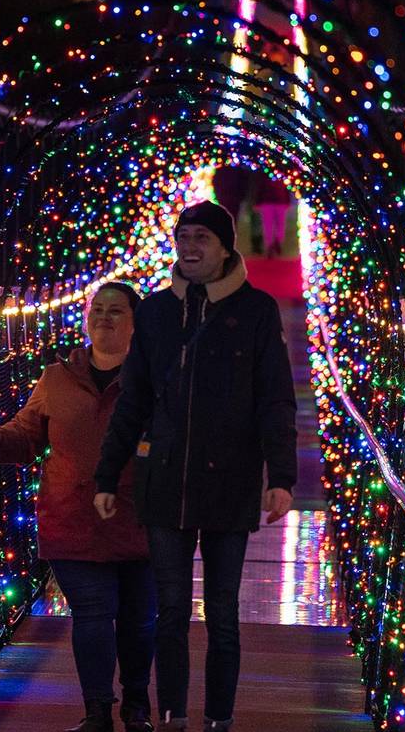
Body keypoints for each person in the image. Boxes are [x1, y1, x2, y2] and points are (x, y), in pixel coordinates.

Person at [93, 200, 298, 732]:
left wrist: (281, 478)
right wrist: (108, 476)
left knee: (223, 618)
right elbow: (132, 400)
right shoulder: (158, 312)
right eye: (183, 236)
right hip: (165, 483)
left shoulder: (256, 310)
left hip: (230, 484)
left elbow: (275, 398)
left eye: (201, 237)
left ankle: (218, 720)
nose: (189, 246)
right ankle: (173, 717)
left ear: (225, 247)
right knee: (172, 615)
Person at [0, 282, 156, 732]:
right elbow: (26, 435)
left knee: (137, 620)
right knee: (92, 614)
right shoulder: (56, 378)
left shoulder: (158, 377)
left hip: (142, 521)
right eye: (98, 309)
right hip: (73, 519)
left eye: (116, 311)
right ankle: (97, 713)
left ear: (137, 323)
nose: (104, 317)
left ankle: (136, 707)